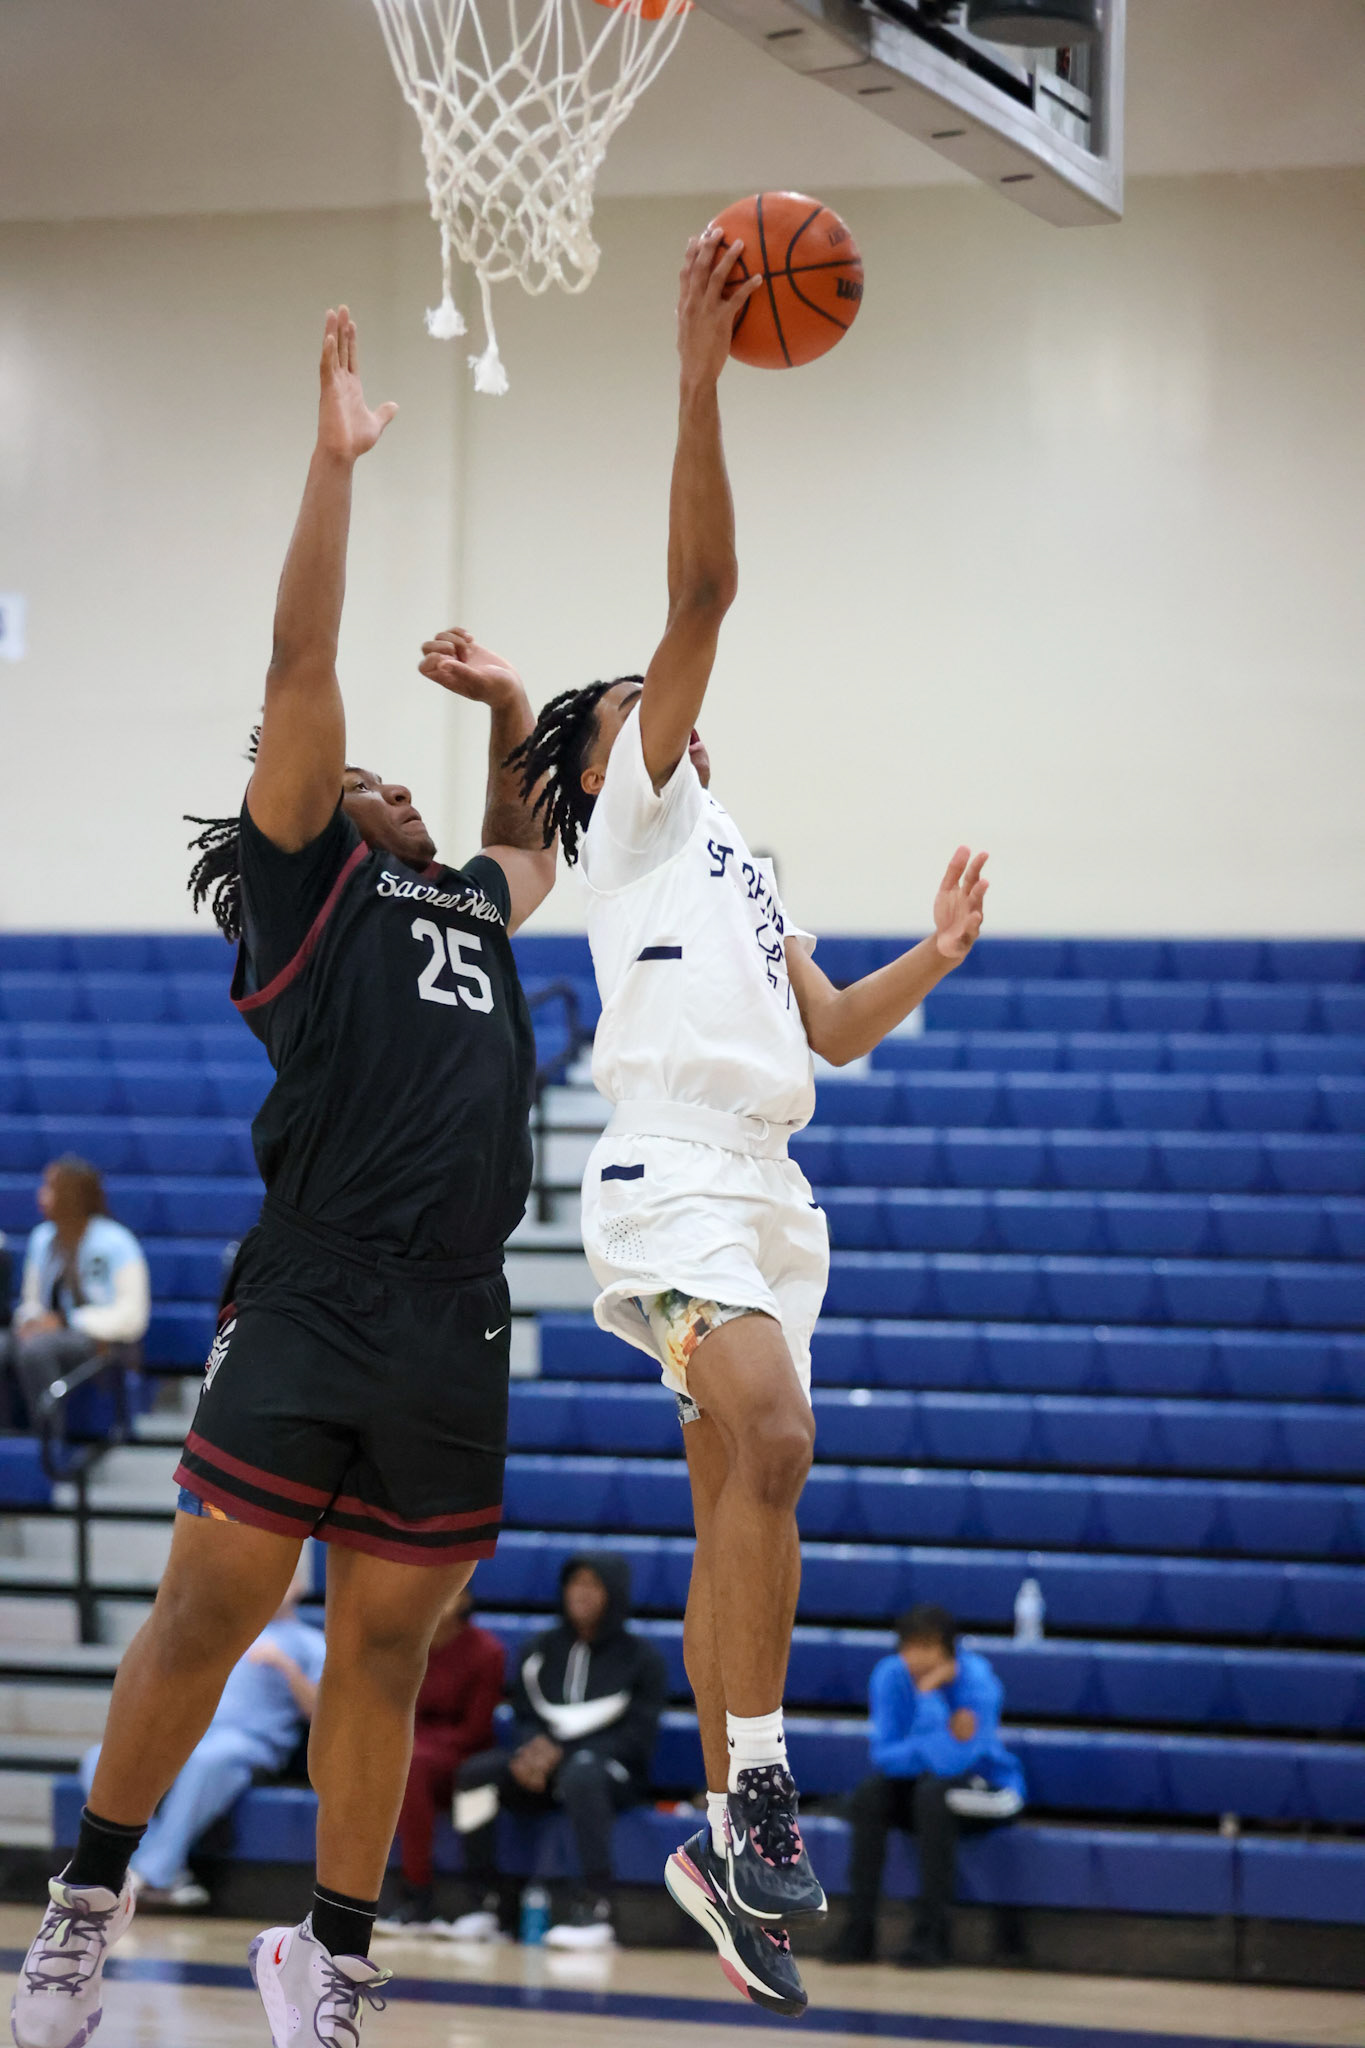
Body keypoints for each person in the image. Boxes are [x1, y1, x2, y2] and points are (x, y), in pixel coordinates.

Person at [11, 306, 556, 2048]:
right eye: (356, 778)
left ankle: (332, 1956)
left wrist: (512, 708)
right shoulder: (310, 897)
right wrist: (330, 469)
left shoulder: (463, 898)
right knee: (215, 1602)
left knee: (386, 1645)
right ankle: (85, 1914)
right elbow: (302, 661)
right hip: (318, 1283)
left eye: (401, 784)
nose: (383, 783)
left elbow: (533, 839)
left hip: (456, 1311)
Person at [505, 230, 988, 2019]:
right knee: (774, 1436)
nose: (666, 700)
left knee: (739, 1490)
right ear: (600, 758)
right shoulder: (627, 810)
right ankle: (766, 1786)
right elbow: (701, 601)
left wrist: (929, 956)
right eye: (631, 701)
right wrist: (700, 384)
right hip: (664, 1176)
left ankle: (716, 1823)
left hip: (771, 1184)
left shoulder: (734, 847)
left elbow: (837, 1029)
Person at [78, 1555, 325, 1910]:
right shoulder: (223, 1634)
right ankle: (150, 1873)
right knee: (99, 1757)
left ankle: (149, 1876)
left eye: (283, 1579)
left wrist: (287, 1669)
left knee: (211, 1759)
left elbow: (321, 1712)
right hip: (189, 1736)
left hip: (249, 1742)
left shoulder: (309, 1642)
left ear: (300, 1586)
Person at [451, 1552, 666, 1951]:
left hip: (612, 1773)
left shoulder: (642, 1659)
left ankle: (595, 1909)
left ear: (614, 1594)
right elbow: (525, 1715)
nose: (581, 1594)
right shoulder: (539, 1650)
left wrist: (563, 1753)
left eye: (592, 1585)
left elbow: (638, 1735)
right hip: (542, 1770)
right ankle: (485, 1904)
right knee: (474, 1776)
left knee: (582, 1775)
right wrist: (531, 1751)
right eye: (575, 1584)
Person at [829, 1604, 1025, 1968]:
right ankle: (858, 1931)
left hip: (992, 1792)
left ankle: (933, 1935)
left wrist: (928, 1696)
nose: (915, 1658)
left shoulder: (979, 1685)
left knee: (934, 1796)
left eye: (927, 1647)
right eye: (908, 1647)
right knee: (870, 1796)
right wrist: (938, 1739)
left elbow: (955, 1764)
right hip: (925, 1789)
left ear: (949, 1650)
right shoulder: (889, 1676)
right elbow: (884, 1756)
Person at [376, 1586, 505, 1934]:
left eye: (451, 1588)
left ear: (466, 1599)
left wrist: (413, 1743)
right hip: (411, 1750)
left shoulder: (487, 1651)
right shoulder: (409, 1645)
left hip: (462, 1757)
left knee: (410, 1764)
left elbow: (476, 1731)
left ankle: (418, 1896)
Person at [0, 1157, 150, 1431]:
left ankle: (49, 1443)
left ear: (71, 1196)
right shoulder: (42, 1238)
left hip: (102, 1342)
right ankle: (9, 1439)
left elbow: (132, 1318)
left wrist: (69, 1321)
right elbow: (31, 1302)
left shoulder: (117, 1242)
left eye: (49, 1188)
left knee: (37, 1349)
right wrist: (30, 1320)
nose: (41, 1195)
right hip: (51, 1334)